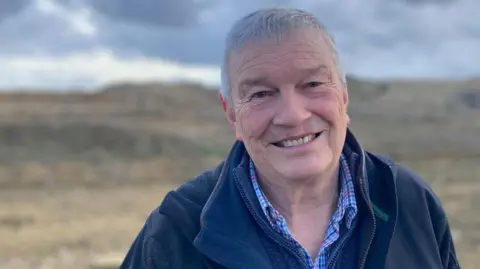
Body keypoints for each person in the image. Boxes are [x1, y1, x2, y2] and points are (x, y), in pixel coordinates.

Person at [120, 7, 461, 269]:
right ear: (232, 114)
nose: (293, 115)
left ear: (343, 97)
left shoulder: (411, 202)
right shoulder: (175, 232)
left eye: (312, 85)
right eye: (261, 94)